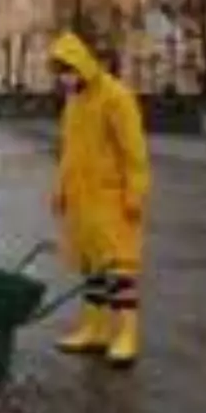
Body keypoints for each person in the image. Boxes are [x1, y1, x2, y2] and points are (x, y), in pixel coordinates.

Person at [49, 32, 150, 368]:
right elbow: (70, 150)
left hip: (112, 200)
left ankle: (126, 334)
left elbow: (134, 152)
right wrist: (60, 188)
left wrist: (135, 193)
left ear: (81, 64)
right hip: (83, 200)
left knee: (119, 268)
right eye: (59, 71)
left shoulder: (116, 97)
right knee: (92, 268)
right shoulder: (74, 102)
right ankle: (95, 329)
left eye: (67, 69)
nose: (63, 77)